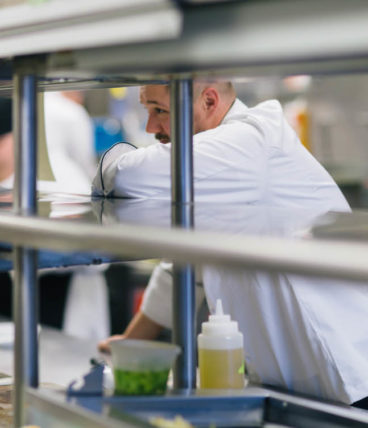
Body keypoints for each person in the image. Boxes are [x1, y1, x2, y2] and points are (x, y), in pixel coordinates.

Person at [94, 82, 368, 408]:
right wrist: (129, 344)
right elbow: (184, 267)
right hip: (293, 384)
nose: (151, 127)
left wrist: (115, 158)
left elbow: (122, 178)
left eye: (160, 111)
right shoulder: (221, 165)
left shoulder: (248, 141)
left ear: (209, 100)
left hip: (347, 379)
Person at [0, 94, 108, 340]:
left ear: (19, 135)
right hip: (9, 302)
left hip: (63, 301)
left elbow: (94, 244)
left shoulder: (59, 173)